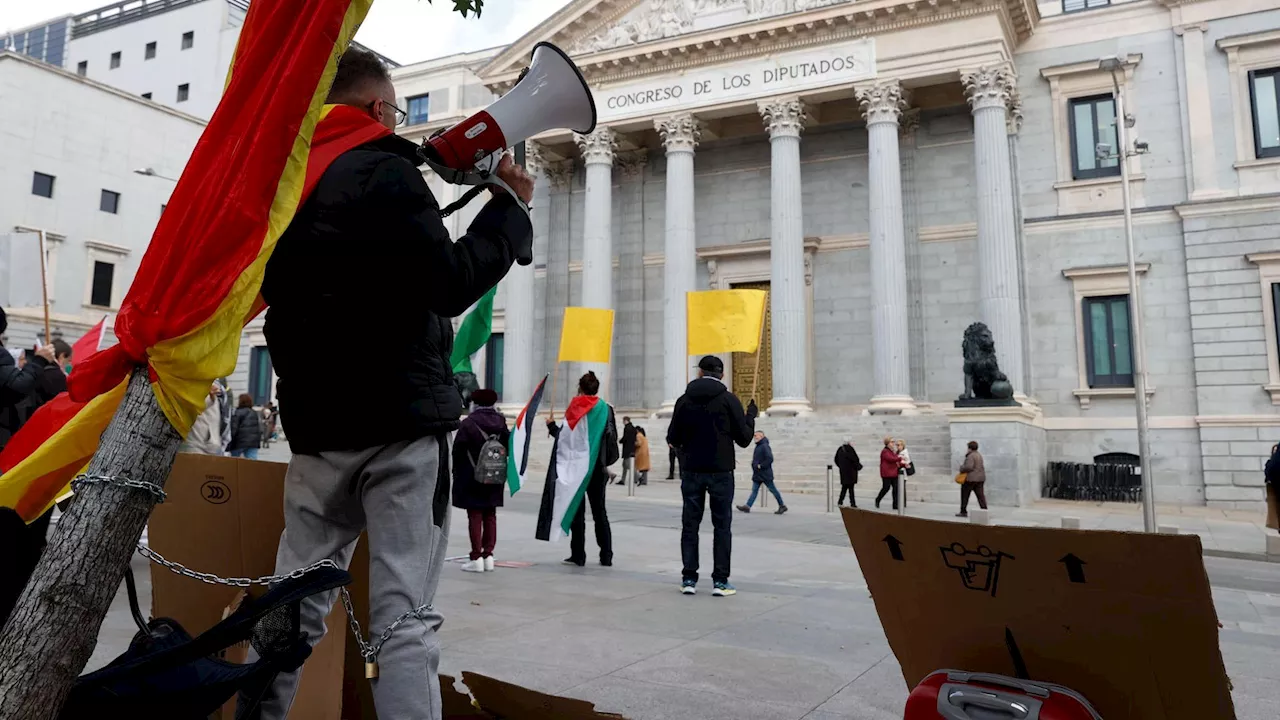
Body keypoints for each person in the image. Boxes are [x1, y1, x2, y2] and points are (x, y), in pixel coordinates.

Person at [253, 47, 533, 720]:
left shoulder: (281, 185)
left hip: (319, 429)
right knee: (402, 617)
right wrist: (506, 206)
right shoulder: (386, 171)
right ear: (378, 109)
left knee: (291, 606)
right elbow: (450, 283)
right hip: (402, 429)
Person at [667, 355, 757, 597]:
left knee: (690, 525)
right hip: (721, 472)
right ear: (722, 374)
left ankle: (689, 578)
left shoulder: (684, 401)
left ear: (699, 373)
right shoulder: (729, 400)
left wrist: (685, 454)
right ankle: (720, 581)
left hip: (693, 471)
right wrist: (750, 416)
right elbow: (745, 439)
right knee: (722, 526)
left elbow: (673, 437)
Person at [550, 372, 618, 567]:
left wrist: (552, 427)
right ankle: (606, 555)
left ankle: (578, 555)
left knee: (577, 513)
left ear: (580, 388)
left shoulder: (575, 408)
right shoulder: (606, 409)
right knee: (600, 512)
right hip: (599, 467)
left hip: (578, 468)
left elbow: (566, 440)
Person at [452, 389, 509, 573]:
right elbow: (508, 445)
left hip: (473, 476)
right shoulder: (501, 422)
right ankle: (489, 555)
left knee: (475, 515)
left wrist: (456, 474)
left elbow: (458, 451)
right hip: (495, 475)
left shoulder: (468, 424)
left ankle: (476, 557)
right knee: (490, 515)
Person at [737, 430, 787, 514]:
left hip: (765, 474)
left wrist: (760, 466)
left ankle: (782, 505)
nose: (755, 437)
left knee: (773, 490)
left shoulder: (764, 446)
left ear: (761, 436)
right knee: (754, 490)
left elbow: (770, 458)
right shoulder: (759, 446)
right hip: (758, 474)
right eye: (754, 436)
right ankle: (747, 506)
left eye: (756, 435)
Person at [182, 383, 227, 455]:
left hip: (212, 443)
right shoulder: (192, 386)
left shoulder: (216, 390)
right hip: (196, 443)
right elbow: (194, 406)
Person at [227, 394, 263, 459]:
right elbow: (259, 428)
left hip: (239, 442)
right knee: (252, 462)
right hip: (253, 442)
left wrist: (229, 443)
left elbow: (234, 429)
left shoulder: (237, 412)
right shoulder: (254, 413)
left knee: (234, 461)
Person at [957, 440, 988, 517]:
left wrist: (962, 468)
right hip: (980, 479)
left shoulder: (970, 456)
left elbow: (969, 467)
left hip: (970, 479)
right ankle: (984, 510)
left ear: (970, 448)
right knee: (980, 496)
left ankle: (963, 511)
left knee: (965, 495)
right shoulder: (979, 455)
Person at [875, 436, 904, 510]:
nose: (893, 443)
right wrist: (900, 457)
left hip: (894, 473)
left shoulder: (892, 451)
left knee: (895, 489)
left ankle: (895, 505)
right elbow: (891, 459)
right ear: (887, 443)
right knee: (886, 488)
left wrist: (903, 464)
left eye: (893, 442)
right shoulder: (885, 451)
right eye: (892, 442)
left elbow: (896, 461)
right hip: (886, 473)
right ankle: (878, 499)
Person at [834, 439, 862, 508]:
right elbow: (856, 459)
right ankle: (852, 503)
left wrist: (841, 466)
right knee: (851, 489)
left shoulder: (840, 449)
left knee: (844, 487)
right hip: (851, 472)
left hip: (843, 472)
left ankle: (840, 501)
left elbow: (836, 459)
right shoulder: (850, 449)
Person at [619, 416, 637, 486]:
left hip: (627, 450)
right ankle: (622, 480)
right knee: (624, 465)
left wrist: (620, 441)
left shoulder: (627, 428)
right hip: (632, 449)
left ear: (626, 420)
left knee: (629, 465)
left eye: (623, 421)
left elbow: (625, 437)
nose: (623, 422)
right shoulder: (633, 428)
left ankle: (638, 477)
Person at [896, 439, 912, 509]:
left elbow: (907, 462)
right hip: (897, 473)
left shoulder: (905, 452)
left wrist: (901, 461)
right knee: (899, 488)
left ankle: (903, 503)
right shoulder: (897, 452)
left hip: (903, 473)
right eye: (897, 445)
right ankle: (900, 502)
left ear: (903, 445)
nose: (898, 446)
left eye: (899, 445)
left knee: (902, 488)